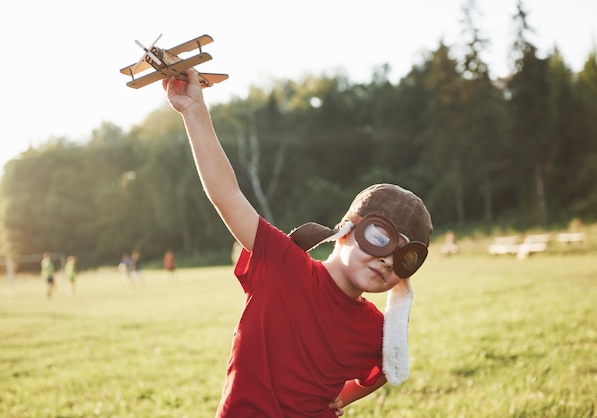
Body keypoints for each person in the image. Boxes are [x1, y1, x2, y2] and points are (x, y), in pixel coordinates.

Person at [163, 70, 433, 417]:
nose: (386, 261)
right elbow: (226, 195)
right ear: (347, 230)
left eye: (403, 258)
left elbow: (388, 366)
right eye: (381, 239)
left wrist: (344, 398)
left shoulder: (375, 330)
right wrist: (194, 112)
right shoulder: (282, 264)